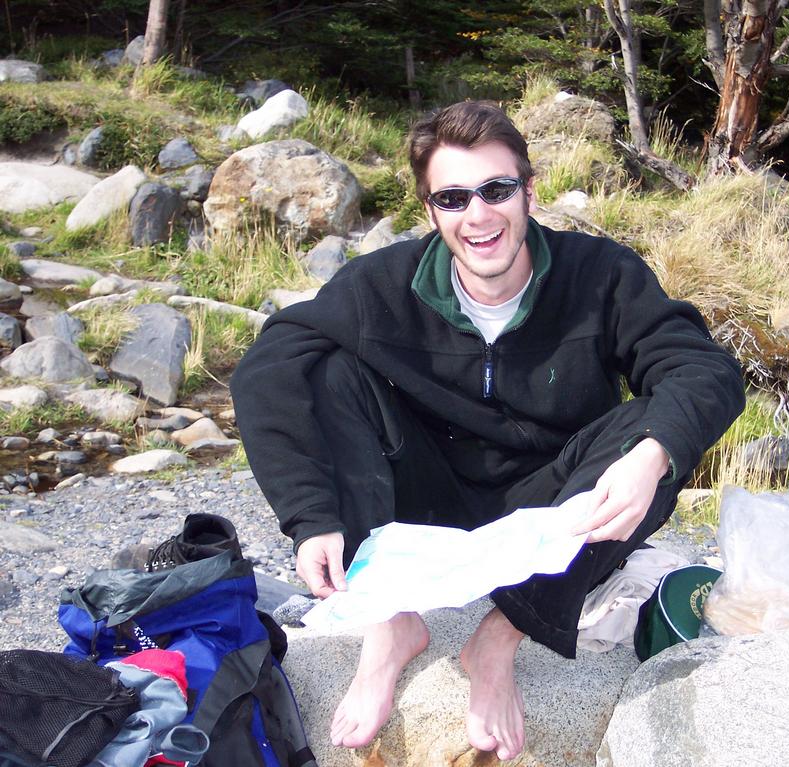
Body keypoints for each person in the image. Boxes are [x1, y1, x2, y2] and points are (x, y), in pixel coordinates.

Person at [230, 100, 745, 760]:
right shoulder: (384, 286)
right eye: (452, 198)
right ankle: (391, 623)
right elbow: (267, 367)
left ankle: (499, 638)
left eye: (496, 190)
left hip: (552, 511)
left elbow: (704, 368)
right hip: (426, 503)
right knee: (328, 370)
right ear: (431, 210)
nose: (477, 215)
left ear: (529, 191)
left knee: (656, 433)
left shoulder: (600, 276)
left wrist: (651, 454)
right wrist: (311, 517)